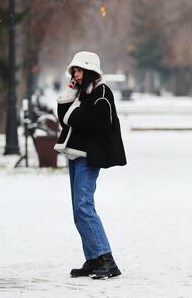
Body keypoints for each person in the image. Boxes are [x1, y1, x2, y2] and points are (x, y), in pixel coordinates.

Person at [54, 51, 127, 279]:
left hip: (88, 157)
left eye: (79, 70)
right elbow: (63, 115)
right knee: (79, 210)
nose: (75, 74)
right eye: (73, 70)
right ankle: (94, 259)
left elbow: (100, 122)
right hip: (75, 155)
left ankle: (107, 260)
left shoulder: (101, 92)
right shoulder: (82, 93)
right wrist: (71, 92)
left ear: (90, 71)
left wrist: (75, 115)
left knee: (84, 207)